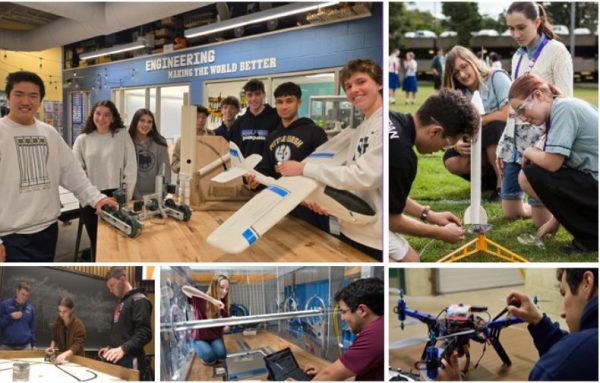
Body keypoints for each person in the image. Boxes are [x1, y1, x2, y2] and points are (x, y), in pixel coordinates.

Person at [0, 71, 116, 262]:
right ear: (8, 97)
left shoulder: (49, 133)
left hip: (47, 231)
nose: (26, 101)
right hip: (10, 237)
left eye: (33, 96)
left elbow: (73, 173)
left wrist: (97, 199)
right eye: (19, 94)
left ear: (40, 101)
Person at [278, 59, 382, 260]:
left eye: (361, 82)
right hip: (351, 228)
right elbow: (349, 182)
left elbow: (363, 176)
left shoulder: (384, 125)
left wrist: (304, 169)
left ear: (379, 83)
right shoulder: (359, 129)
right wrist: (324, 200)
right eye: (349, 86)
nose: (355, 90)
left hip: (376, 238)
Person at [439, 268, 598, 381]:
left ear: (587, 283)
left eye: (564, 294)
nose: (562, 312)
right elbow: (580, 350)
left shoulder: (555, 370)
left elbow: (572, 354)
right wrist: (539, 322)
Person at [496, 1, 573, 227]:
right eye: (511, 28)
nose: (516, 34)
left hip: (540, 142)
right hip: (515, 139)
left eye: (521, 27)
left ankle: (560, 208)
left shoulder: (556, 51)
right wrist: (504, 144)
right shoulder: (517, 56)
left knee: (542, 224)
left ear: (537, 22)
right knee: (511, 213)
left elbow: (565, 100)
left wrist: (546, 144)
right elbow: (514, 104)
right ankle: (550, 205)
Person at [508, 74, 598, 252]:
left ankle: (591, 237)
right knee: (534, 171)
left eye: (522, 109)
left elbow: (552, 163)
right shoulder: (564, 107)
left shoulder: (564, 109)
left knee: (527, 175)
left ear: (539, 95)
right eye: (518, 114)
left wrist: (528, 150)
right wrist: (555, 220)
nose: (523, 118)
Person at [389, 90, 480, 262]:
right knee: (410, 261)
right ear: (435, 131)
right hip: (360, 218)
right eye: (447, 145)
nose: (441, 150)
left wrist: (429, 215)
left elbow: (390, 195)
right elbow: (391, 220)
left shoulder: (391, 117)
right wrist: (440, 233)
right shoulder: (401, 157)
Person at [248, 81, 329, 232]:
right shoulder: (272, 137)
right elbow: (266, 170)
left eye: (289, 101)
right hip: (279, 208)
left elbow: (325, 170)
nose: (284, 106)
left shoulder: (315, 132)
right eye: (279, 102)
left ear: (299, 102)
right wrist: (255, 182)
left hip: (310, 208)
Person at [442, 45, 511, 201]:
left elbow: (509, 113)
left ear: (473, 61)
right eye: (456, 73)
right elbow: (454, 130)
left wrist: (481, 120)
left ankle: (503, 186)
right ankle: (488, 181)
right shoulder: (461, 94)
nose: (463, 74)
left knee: (493, 130)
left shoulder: (496, 77)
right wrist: (457, 143)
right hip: (480, 143)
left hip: (507, 143)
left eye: (464, 67)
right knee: (451, 160)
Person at [73, 100, 136, 254]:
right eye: (98, 113)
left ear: (113, 118)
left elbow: (131, 166)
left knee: (119, 242)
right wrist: (89, 197)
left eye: (107, 114)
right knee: (97, 243)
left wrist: (126, 195)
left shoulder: (121, 135)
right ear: (92, 115)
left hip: (116, 194)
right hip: (91, 197)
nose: (101, 118)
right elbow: (76, 171)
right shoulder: (83, 139)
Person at [303, 277, 383, 381]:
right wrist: (326, 374)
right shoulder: (380, 326)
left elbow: (328, 374)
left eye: (344, 312)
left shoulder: (374, 335)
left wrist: (328, 375)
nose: (342, 318)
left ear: (362, 310)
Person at [100, 267, 153, 380]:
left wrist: (123, 349)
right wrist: (111, 348)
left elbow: (145, 333)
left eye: (112, 285)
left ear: (123, 279)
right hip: (118, 361)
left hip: (131, 362)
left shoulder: (139, 300)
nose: (110, 290)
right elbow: (123, 334)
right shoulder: (122, 303)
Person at [181, 275, 231, 365]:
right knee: (210, 357)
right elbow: (185, 288)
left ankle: (211, 349)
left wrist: (226, 325)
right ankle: (197, 345)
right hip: (199, 337)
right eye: (222, 287)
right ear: (214, 286)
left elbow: (226, 327)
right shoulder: (200, 299)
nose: (225, 291)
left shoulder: (224, 305)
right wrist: (212, 300)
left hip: (215, 336)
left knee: (222, 356)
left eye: (227, 289)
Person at [229, 79, 280, 158]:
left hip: (268, 169)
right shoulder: (238, 123)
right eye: (250, 95)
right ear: (245, 96)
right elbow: (234, 152)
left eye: (257, 94)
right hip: (245, 169)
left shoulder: (276, 118)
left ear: (264, 94)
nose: (253, 99)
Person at [128, 109, 171, 200]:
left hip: (156, 197)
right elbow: (127, 172)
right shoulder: (127, 142)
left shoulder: (160, 142)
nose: (145, 125)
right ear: (135, 122)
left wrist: (160, 195)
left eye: (149, 122)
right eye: (142, 120)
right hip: (132, 195)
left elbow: (165, 172)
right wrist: (136, 196)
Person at [171, 105, 210, 174]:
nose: (200, 120)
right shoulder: (181, 140)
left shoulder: (212, 137)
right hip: (186, 178)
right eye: (197, 117)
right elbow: (174, 165)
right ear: (191, 118)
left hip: (206, 177)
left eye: (203, 117)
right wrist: (186, 162)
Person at [47, 296, 86, 364]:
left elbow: (76, 346)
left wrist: (64, 355)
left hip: (76, 359)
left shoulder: (78, 325)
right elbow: (54, 338)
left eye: (65, 311)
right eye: (60, 311)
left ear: (72, 310)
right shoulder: (58, 322)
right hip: (63, 359)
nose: (61, 314)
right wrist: (51, 347)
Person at [0, 282, 35, 350]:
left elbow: (32, 328)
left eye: (27, 295)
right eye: (23, 294)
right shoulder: (5, 304)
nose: (24, 297)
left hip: (26, 346)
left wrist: (33, 344)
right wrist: (10, 317)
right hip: (7, 346)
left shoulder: (31, 308)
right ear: (17, 291)